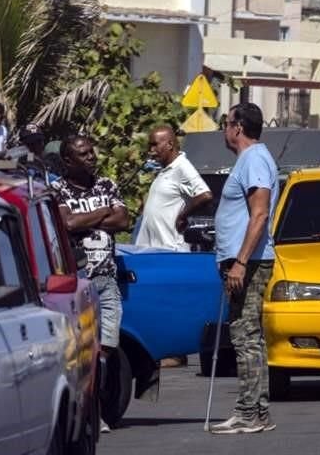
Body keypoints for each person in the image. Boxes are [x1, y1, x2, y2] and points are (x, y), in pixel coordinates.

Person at [209, 103, 279, 435]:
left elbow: (260, 213)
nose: (224, 129)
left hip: (249, 262)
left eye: (226, 123)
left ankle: (250, 412)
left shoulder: (254, 160)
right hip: (244, 260)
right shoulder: (250, 160)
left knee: (245, 337)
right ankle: (255, 411)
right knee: (249, 337)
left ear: (238, 127)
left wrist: (239, 262)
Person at [54, 135, 130, 433]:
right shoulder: (58, 189)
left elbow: (122, 221)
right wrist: (102, 213)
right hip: (77, 283)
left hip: (106, 278)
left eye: (91, 152)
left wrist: (86, 218)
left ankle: (94, 406)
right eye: (83, 154)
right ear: (68, 161)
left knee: (106, 347)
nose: (91, 157)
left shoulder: (107, 185)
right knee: (80, 351)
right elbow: (67, 224)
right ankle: (86, 413)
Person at [134, 125, 213, 252]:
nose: (151, 150)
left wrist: (182, 216)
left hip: (170, 250)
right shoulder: (165, 169)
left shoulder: (182, 167)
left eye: (155, 145)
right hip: (152, 250)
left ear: (170, 144)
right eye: (150, 146)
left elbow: (205, 195)